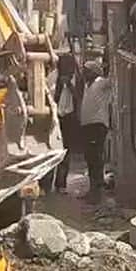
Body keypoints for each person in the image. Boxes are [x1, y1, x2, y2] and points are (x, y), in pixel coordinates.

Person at [44, 53, 83, 193]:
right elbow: (47, 96)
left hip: (69, 119)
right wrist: (60, 85)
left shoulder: (77, 79)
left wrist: (69, 86)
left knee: (66, 152)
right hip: (54, 117)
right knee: (50, 151)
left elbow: (80, 98)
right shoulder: (52, 77)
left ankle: (61, 184)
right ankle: (46, 185)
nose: (70, 69)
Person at [78, 60, 113, 202]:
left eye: (87, 71)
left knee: (96, 158)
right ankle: (92, 189)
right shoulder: (88, 86)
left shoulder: (101, 83)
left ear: (94, 72)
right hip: (88, 126)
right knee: (90, 158)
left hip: (97, 125)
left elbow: (112, 79)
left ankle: (97, 193)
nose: (84, 73)